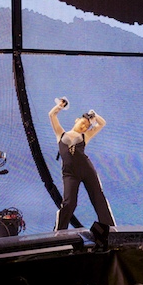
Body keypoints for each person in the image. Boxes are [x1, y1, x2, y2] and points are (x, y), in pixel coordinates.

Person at [49, 98, 115, 231]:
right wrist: (60, 106)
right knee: (69, 203)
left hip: (87, 170)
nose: (84, 127)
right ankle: (59, 232)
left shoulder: (86, 136)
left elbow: (102, 123)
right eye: (83, 123)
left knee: (98, 198)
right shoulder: (60, 134)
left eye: (87, 126)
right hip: (70, 174)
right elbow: (52, 115)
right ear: (76, 120)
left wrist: (94, 115)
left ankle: (110, 229)